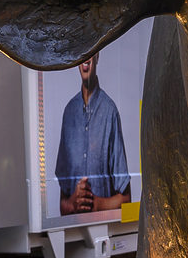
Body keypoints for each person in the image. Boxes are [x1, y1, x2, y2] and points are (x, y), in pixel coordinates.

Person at [55, 52, 131, 216]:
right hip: (74, 235)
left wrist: (97, 204)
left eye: (90, 52)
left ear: (97, 56)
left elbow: (126, 200)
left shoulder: (110, 111)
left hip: (103, 234)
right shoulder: (69, 113)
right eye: (81, 52)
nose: (85, 58)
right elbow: (63, 205)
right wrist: (73, 203)